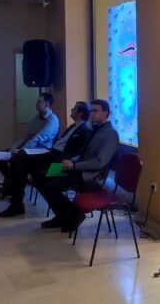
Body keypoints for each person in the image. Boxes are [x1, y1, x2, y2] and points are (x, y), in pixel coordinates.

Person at [0, 101, 93, 217]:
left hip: (60, 161)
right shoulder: (73, 126)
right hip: (52, 153)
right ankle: (15, 201)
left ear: (80, 113)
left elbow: (78, 154)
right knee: (18, 160)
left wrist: (63, 164)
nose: (71, 110)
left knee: (26, 167)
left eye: (74, 108)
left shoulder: (85, 130)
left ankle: (15, 201)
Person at [36, 99, 118, 233]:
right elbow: (83, 154)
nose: (92, 114)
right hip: (77, 168)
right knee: (39, 178)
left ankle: (73, 215)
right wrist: (70, 162)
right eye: (91, 111)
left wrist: (74, 166)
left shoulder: (110, 133)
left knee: (52, 186)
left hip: (89, 176)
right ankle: (63, 215)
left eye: (95, 111)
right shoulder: (95, 129)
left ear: (106, 113)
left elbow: (99, 162)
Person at [0, 92, 59, 199]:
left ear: (47, 104)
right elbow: (25, 136)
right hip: (28, 149)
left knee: (15, 161)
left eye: (39, 101)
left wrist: (21, 151)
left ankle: (8, 188)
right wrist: (14, 147)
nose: (36, 103)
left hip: (41, 152)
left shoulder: (53, 120)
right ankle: (10, 184)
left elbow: (37, 139)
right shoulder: (37, 117)